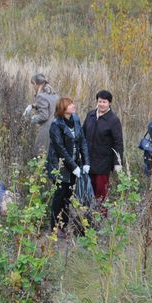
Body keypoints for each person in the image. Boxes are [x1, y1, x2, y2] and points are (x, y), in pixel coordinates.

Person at [47, 97, 90, 233]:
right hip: (59, 166)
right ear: (63, 108)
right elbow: (60, 149)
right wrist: (74, 167)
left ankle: (64, 224)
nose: (73, 105)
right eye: (70, 104)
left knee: (69, 195)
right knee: (59, 196)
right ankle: (56, 227)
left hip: (74, 164)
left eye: (72, 103)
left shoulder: (76, 120)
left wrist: (86, 162)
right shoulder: (56, 125)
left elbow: (82, 141)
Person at [83, 90, 124, 206]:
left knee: (100, 193)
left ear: (109, 103)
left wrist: (118, 162)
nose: (101, 104)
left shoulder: (113, 120)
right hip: (88, 161)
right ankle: (86, 218)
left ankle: (100, 218)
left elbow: (118, 143)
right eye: (99, 101)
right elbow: (82, 133)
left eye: (104, 102)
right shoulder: (90, 115)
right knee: (87, 191)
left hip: (103, 163)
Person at [25, 74, 60, 158]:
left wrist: (31, 119)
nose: (33, 87)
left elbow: (44, 116)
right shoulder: (54, 95)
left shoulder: (40, 96)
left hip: (46, 130)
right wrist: (34, 106)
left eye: (33, 84)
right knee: (53, 155)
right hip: (57, 128)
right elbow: (50, 107)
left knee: (40, 155)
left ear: (36, 84)